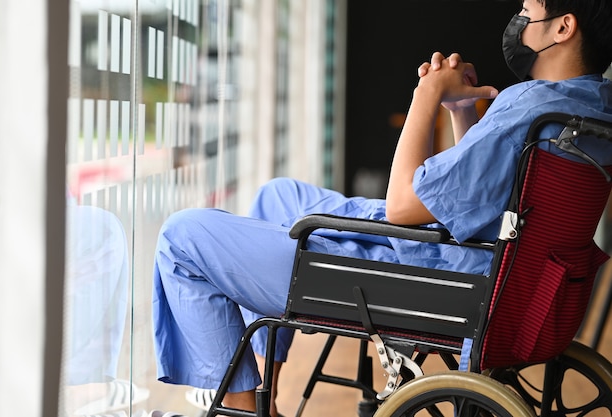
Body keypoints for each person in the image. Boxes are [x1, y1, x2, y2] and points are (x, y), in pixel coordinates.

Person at [152, 0, 612, 415]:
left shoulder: (526, 110)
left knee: (181, 237)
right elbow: (491, 195)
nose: (520, 18)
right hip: (496, 275)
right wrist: (460, 109)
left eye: (529, 9)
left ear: (563, 27)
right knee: (278, 195)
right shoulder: (585, 108)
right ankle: (262, 399)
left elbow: (401, 207)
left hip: (430, 280)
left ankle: (241, 410)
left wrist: (426, 96)